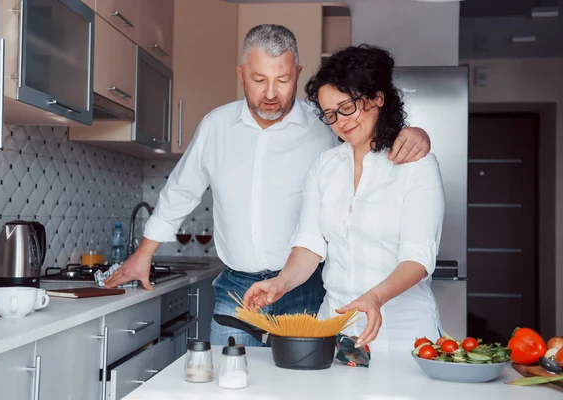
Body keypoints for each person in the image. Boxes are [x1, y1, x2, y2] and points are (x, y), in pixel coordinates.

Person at [104, 25, 432, 347]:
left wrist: (415, 133)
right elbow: (180, 191)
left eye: (283, 80)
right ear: (241, 74)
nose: (271, 93)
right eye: (259, 80)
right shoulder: (216, 126)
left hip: (308, 289)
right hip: (237, 288)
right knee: (230, 382)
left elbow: (371, 135)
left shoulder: (325, 125)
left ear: (298, 73)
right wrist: (144, 253)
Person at [243, 44, 446, 352]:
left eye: (347, 106)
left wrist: (374, 297)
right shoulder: (324, 168)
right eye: (330, 114)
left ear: (378, 97)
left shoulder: (416, 165)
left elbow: (417, 258)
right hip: (336, 328)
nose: (341, 122)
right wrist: (279, 284)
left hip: (405, 333)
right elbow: (309, 245)